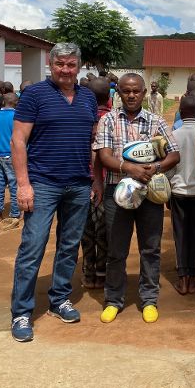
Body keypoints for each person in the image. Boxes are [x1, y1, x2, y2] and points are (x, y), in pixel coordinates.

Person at [10, 43, 98, 343]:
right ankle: (21, 311)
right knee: (32, 247)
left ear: (79, 66)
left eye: (71, 64)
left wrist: (94, 181)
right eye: (60, 64)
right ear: (51, 64)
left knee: (70, 246)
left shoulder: (87, 97)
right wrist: (23, 184)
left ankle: (60, 298)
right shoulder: (34, 95)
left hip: (78, 184)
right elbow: (18, 140)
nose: (65, 70)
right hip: (43, 183)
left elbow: (91, 143)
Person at [96, 73, 180, 325]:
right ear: (118, 93)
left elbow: (174, 154)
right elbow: (104, 156)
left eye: (136, 91)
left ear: (144, 93)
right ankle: (113, 300)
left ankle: (149, 300)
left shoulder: (156, 121)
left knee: (150, 249)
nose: (131, 95)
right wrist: (128, 168)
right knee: (116, 250)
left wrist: (155, 168)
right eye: (126, 91)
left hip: (150, 194)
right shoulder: (109, 120)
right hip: (116, 193)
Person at [169, 94, 195, 295]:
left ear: (181, 113)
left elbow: (169, 166)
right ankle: (193, 279)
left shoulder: (174, 134)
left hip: (178, 191)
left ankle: (182, 280)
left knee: (180, 235)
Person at [79, 78, 112, 289]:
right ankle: (102, 273)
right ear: (109, 97)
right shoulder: (112, 119)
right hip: (107, 181)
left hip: (83, 182)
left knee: (86, 230)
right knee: (105, 230)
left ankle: (88, 273)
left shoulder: (81, 119)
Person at [0, 93, 21, 230]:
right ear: (16, 102)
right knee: (14, 186)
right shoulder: (17, 117)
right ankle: (14, 214)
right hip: (13, 155)